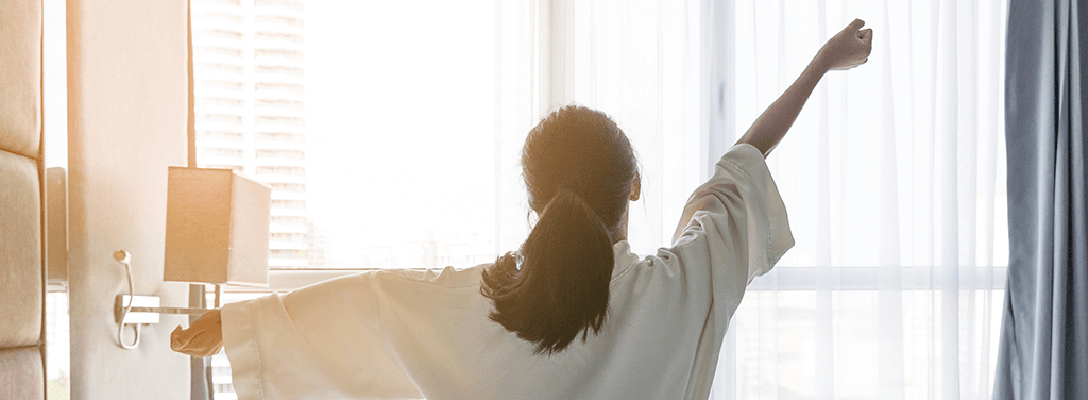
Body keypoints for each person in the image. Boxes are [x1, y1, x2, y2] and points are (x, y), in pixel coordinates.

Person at [172, 19, 873, 400]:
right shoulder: (681, 288)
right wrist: (819, 64)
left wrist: (239, 324)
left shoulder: (476, 299)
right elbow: (741, 164)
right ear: (635, 186)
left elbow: (370, 304)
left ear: (533, 202)